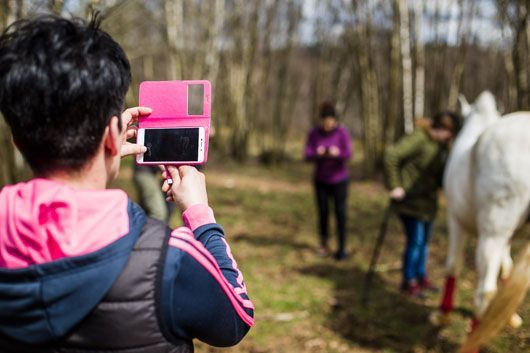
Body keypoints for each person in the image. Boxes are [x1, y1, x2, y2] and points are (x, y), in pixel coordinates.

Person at [0, 15, 253, 351]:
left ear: (16, 140)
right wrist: (200, 214)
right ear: (112, 135)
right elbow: (235, 321)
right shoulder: (170, 258)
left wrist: (99, 146)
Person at [384, 112, 460, 297]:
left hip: (428, 203)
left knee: (424, 243)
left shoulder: (442, 147)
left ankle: (421, 277)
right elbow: (392, 156)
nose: (450, 137)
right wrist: (395, 186)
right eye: (449, 133)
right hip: (410, 201)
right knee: (415, 242)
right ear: (441, 129)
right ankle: (408, 281)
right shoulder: (420, 138)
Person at [304, 102, 352, 260]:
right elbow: (307, 154)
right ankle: (324, 245)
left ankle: (342, 248)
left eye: (330, 121)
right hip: (321, 180)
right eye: (325, 121)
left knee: (340, 213)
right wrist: (318, 153)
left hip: (339, 180)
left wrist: (336, 153)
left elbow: (348, 154)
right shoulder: (314, 133)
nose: (328, 124)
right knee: (323, 213)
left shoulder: (342, 133)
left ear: (335, 120)